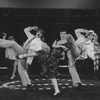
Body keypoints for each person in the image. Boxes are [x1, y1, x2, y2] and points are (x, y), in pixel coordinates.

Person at [19, 26, 61, 96]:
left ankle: (57, 90)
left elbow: (37, 53)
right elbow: (25, 30)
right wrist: (32, 28)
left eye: (41, 33)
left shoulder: (40, 42)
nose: (39, 33)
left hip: (42, 59)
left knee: (51, 74)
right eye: (38, 32)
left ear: (42, 36)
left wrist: (23, 55)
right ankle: (29, 84)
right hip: (30, 58)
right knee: (22, 69)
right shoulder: (31, 37)